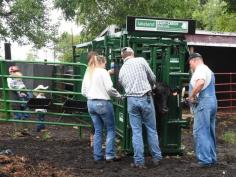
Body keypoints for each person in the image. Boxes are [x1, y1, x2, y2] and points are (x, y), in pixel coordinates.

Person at [118, 47, 162, 168]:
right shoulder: (141, 60)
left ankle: (139, 162)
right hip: (145, 98)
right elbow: (152, 77)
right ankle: (157, 158)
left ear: (123, 57)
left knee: (136, 132)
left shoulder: (121, 70)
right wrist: (152, 86)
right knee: (151, 130)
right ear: (132, 54)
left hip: (131, 101)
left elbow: (121, 83)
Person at [81, 53, 121, 165]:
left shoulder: (89, 72)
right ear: (101, 62)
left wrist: (91, 95)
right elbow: (109, 88)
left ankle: (97, 156)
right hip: (103, 103)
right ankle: (109, 155)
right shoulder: (103, 72)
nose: (105, 66)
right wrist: (118, 95)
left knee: (98, 130)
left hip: (90, 103)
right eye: (105, 63)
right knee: (111, 129)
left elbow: (83, 91)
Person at [187, 53, 217, 167]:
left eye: (190, 64)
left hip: (204, 103)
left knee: (200, 132)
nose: (191, 67)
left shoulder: (199, 70)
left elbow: (200, 83)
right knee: (209, 131)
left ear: (194, 61)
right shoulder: (208, 69)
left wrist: (192, 96)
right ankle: (212, 158)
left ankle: (205, 160)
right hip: (212, 102)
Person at [7, 66, 32, 136]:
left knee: (25, 114)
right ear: (11, 72)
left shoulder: (19, 79)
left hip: (22, 100)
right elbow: (12, 86)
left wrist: (26, 93)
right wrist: (20, 91)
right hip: (15, 100)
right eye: (14, 71)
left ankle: (24, 130)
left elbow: (23, 87)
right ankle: (18, 131)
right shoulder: (10, 78)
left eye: (17, 71)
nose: (16, 72)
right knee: (17, 115)